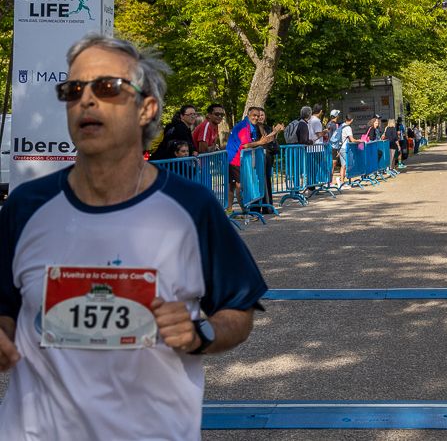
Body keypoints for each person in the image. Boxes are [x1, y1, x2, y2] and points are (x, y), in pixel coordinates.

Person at [0, 32, 267, 440]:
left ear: (147, 109)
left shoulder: (190, 208)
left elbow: (238, 308)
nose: (86, 100)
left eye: (107, 88)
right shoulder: (27, 207)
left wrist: (201, 334)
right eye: (74, 89)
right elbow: (5, 307)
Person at [225, 106, 282, 213]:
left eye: (258, 115)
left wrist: (269, 136)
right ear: (248, 115)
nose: (256, 118)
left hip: (237, 159)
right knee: (239, 186)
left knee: (234, 185)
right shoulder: (244, 126)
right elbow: (245, 145)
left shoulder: (251, 126)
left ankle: (232, 210)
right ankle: (245, 212)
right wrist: (260, 143)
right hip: (234, 159)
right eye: (254, 115)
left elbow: (257, 141)